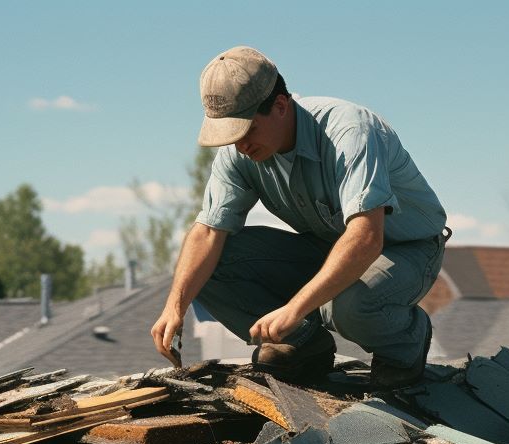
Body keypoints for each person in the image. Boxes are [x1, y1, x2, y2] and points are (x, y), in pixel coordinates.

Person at [150, 46, 449, 388]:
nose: (239, 145)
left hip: (404, 250)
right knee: (208, 268)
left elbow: (366, 238)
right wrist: (176, 306)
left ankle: (405, 341)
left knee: (348, 306)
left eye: (245, 130)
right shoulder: (238, 152)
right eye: (229, 135)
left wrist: (293, 309)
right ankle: (302, 345)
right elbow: (207, 233)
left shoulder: (349, 131)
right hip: (327, 246)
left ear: (280, 106)